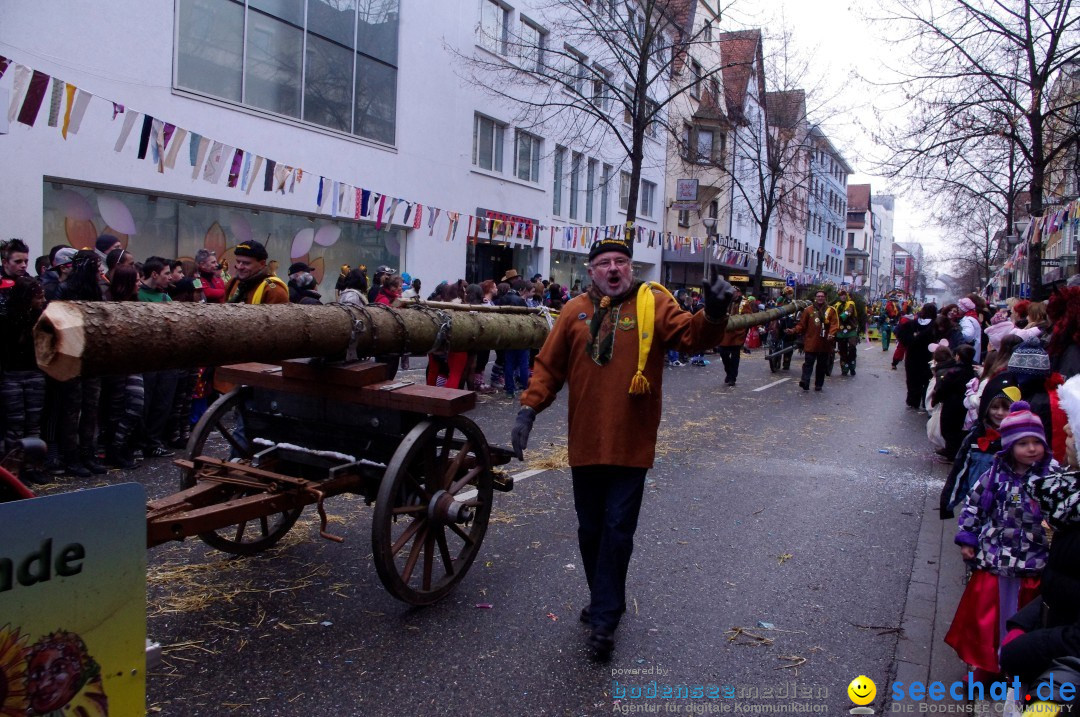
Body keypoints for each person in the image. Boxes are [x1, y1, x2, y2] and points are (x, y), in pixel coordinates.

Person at [509, 235, 733, 659]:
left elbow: (691, 337)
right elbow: (548, 367)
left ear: (631, 269)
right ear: (591, 271)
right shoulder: (574, 312)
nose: (614, 269)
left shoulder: (654, 305)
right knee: (590, 530)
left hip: (631, 444)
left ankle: (605, 620)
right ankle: (604, 599)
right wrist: (528, 410)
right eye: (605, 263)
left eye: (622, 262)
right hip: (586, 443)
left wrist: (715, 312)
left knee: (617, 530)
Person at [944, 401, 1053, 682]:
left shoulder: (1051, 477)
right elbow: (974, 506)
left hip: (1033, 562)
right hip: (996, 558)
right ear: (1009, 446)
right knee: (988, 619)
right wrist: (967, 538)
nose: (1031, 449)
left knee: (1025, 619)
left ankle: (1020, 668)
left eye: (1036, 442)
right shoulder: (995, 475)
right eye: (1023, 443)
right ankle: (986, 667)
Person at [939, 375, 1022, 519]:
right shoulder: (976, 435)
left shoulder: (1020, 439)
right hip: (975, 505)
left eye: (1006, 408)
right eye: (995, 407)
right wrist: (948, 502)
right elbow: (960, 470)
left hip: (1006, 510)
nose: (1000, 413)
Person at [790, 290, 839, 391]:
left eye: (822, 296)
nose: (820, 298)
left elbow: (834, 324)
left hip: (824, 344)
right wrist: (794, 330)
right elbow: (802, 325)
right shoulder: (808, 310)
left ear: (825, 298)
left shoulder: (831, 310)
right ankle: (805, 382)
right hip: (811, 342)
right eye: (818, 296)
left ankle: (818, 384)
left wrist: (831, 334)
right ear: (815, 298)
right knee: (808, 363)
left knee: (821, 366)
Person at [716, 285, 753, 386]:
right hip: (726, 333)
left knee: (735, 356)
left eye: (734, 292)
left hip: (737, 333)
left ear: (738, 293)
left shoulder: (744, 303)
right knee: (723, 353)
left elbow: (748, 317)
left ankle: (733, 377)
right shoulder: (725, 302)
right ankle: (728, 372)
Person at [833, 289, 859, 376]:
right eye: (841, 295)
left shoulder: (850, 303)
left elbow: (849, 311)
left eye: (844, 295)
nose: (843, 296)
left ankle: (852, 367)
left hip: (851, 329)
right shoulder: (837, 305)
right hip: (840, 330)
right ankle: (844, 368)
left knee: (852, 347)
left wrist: (842, 316)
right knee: (842, 350)